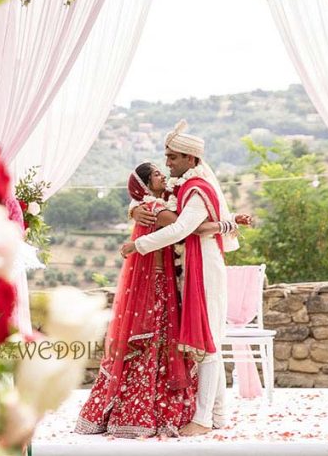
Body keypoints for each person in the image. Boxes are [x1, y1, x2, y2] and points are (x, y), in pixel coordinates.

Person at [74, 161, 246, 438]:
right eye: (155, 174)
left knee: (166, 341)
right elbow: (184, 226)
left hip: (167, 278)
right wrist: (228, 223)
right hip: (158, 283)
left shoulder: (158, 203)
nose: (163, 174)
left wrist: (134, 207)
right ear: (145, 186)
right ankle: (152, 410)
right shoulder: (156, 208)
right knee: (159, 339)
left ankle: (176, 409)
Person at [131, 120, 242, 436]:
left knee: (206, 344)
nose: (167, 163)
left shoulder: (196, 190)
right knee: (211, 342)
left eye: (173, 157)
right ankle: (218, 414)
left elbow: (181, 229)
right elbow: (151, 204)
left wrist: (137, 245)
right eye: (166, 156)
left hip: (204, 266)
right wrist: (135, 211)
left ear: (192, 159)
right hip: (197, 265)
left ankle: (204, 419)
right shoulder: (185, 187)